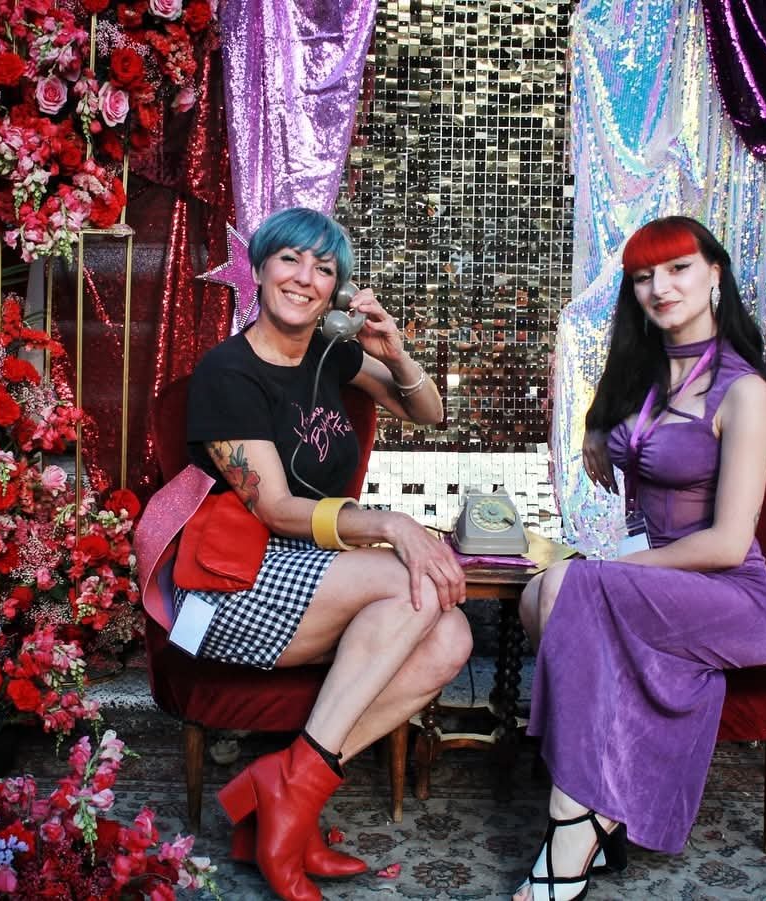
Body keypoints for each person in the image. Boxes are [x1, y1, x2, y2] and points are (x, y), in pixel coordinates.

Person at [180, 207, 471, 901]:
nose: (305, 279)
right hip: (231, 585)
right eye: (290, 260)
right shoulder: (226, 372)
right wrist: (391, 523)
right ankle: (287, 805)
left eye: (324, 268)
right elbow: (275, 507)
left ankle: (287, 789)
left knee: (451, 636)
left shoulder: (331, 353)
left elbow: (427, 413)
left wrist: (393, 349)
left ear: (335, 291)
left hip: (314, 575)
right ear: (258, 268)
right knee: (423, 588)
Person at [514, 216, 766, 900]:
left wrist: (610, 572)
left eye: (676, 269)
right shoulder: (643, 380)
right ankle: (605, 797)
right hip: (661, 578)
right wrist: (597, 429)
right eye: (642, 276)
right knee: (536, 595)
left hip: (731, 594)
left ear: (715, 274)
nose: (659, 287)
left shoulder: (744, 391)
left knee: (566, 587)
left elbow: (728, 542)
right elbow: (635, 457)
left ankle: (573, 817)